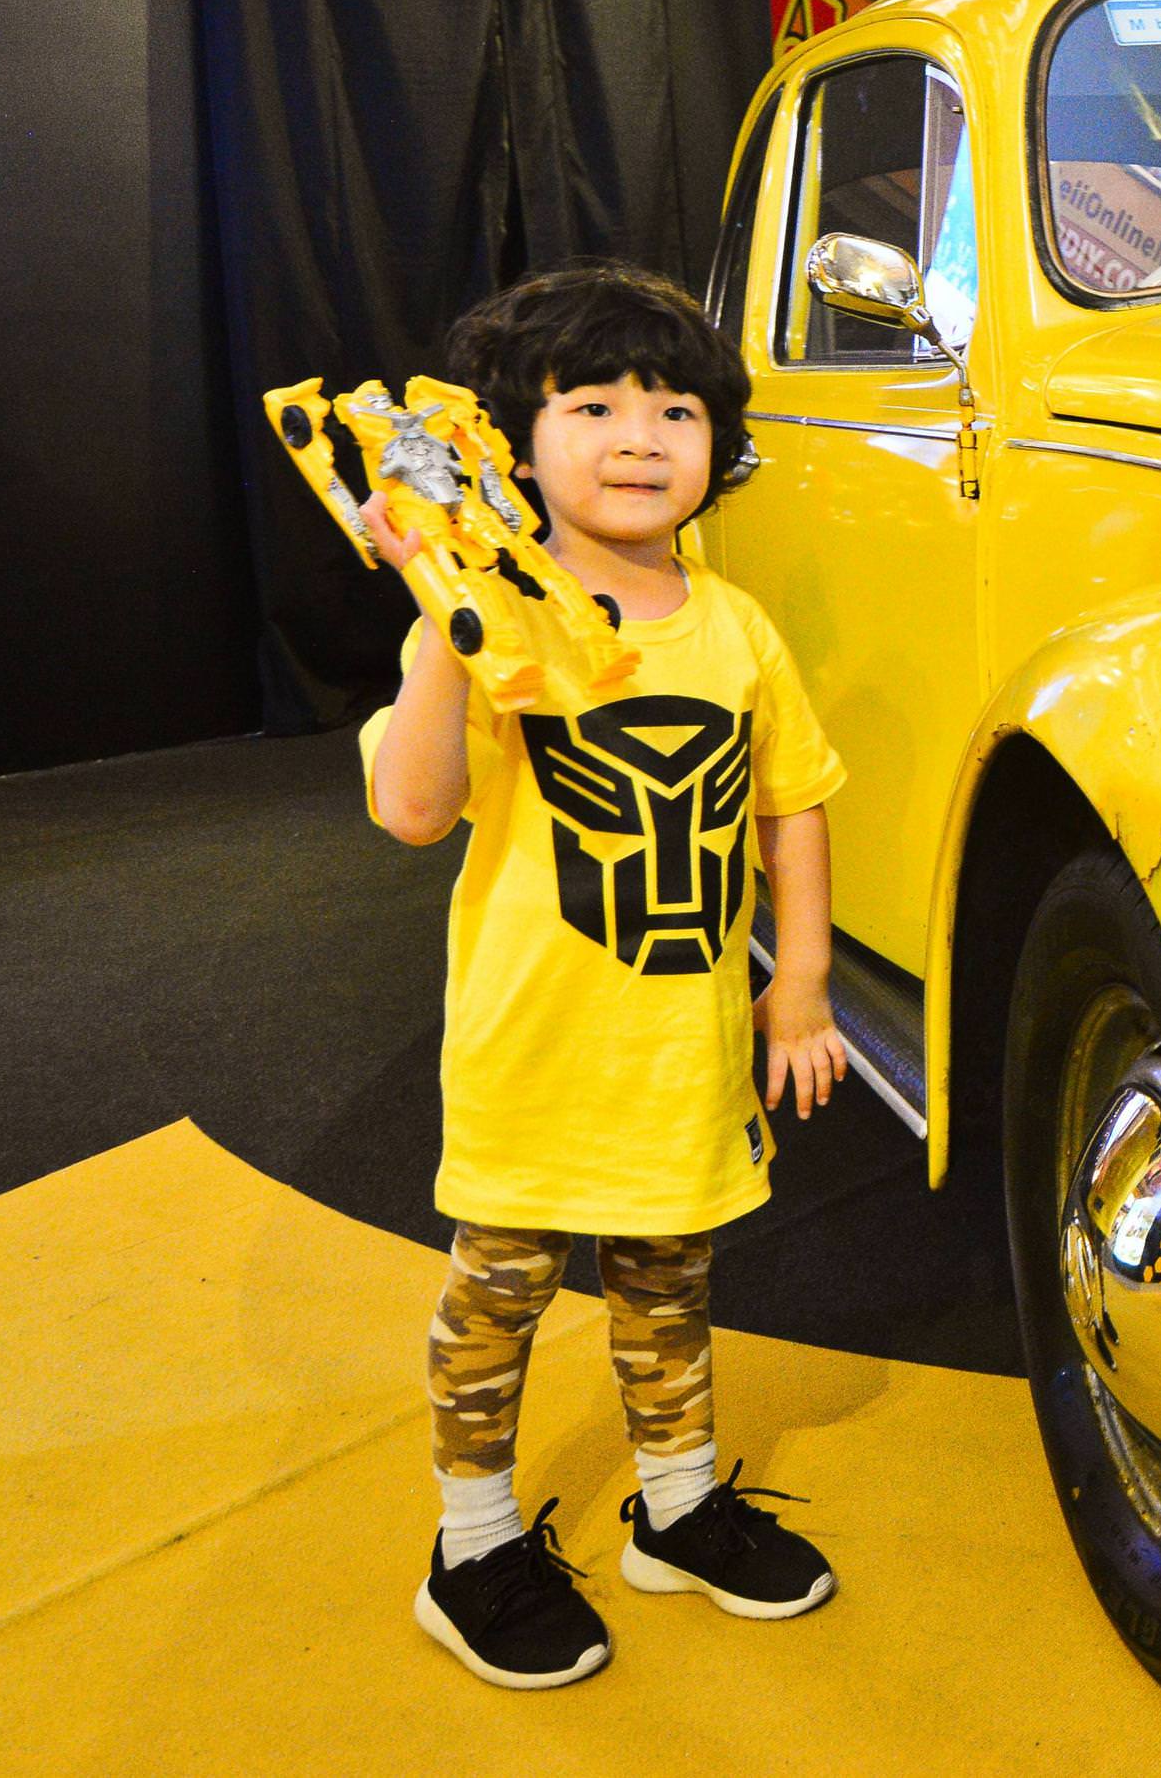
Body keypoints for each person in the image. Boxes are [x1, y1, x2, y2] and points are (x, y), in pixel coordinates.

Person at [359, 262, 849, 1689]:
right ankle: (471, 1549)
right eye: (592, 406)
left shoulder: (736, 626)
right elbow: (411, 808)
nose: (640, 438)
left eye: (675, 410)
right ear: (516, 444)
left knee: (669, 1284)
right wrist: (446, 612)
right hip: (532, 1049)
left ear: (716, 446)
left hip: (683, 1052)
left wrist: (801, 985)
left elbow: (793, 804)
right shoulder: (486, 614)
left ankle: (677, 1513)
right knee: (498, 1299)